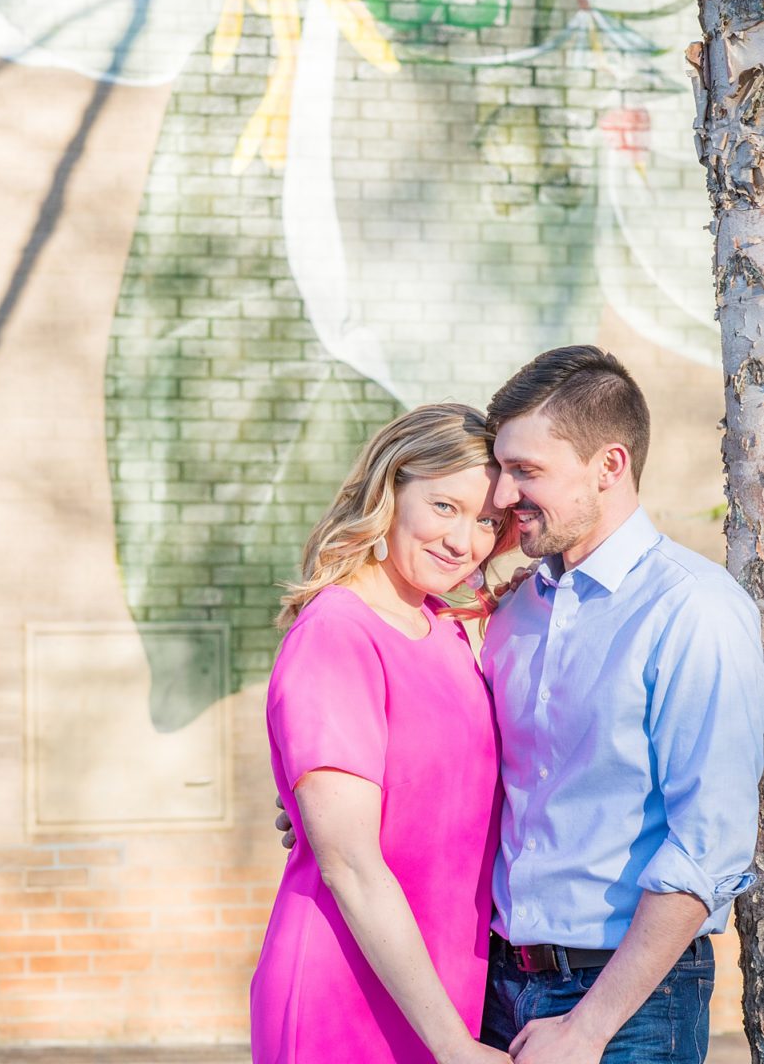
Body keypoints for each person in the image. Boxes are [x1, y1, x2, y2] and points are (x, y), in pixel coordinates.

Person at [480, 344, 764, 1064]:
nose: (502, 495)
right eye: (501, 469)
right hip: (493, 982)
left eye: (526, 471)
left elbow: (708, 844)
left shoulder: (693, 612)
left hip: (628, 1003)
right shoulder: (512, 613)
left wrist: (587, 1027)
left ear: (608, 465)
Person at [250, 403, 518, 1064]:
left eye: (487, 520)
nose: (465, 541)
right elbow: (349, 863)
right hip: (343, 994)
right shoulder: (336, 634)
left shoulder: (445, 628)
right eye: (443, 506)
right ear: (388, 489)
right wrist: (451, 1045)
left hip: (439, 984)